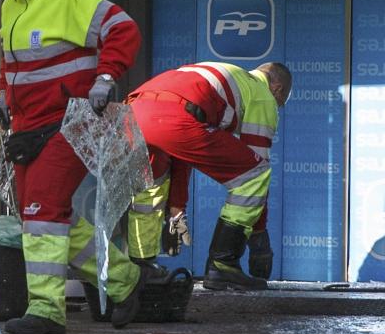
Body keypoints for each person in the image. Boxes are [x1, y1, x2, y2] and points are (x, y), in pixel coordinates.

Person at [0, 0, 146, 334]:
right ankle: (125, 279)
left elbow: (123, 29)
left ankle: (46, 310)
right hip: (29, 125)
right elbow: (11, 62)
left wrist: (105, 76)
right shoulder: (11, 6)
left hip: (71, 120)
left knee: (42, 208)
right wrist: (5, 96)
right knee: (40, 214)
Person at [124, 61, 292, 290]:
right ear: (278, 89)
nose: (277, 108)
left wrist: (176, 212)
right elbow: (256, 167)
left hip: (132, 113)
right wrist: (259, 236)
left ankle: (140, 269)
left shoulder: (223, 77)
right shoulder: (262, 95)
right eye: (280, 104)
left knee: (151, 187)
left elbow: (182, 152)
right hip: (177, 117)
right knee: (255, 175)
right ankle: (223, 264)